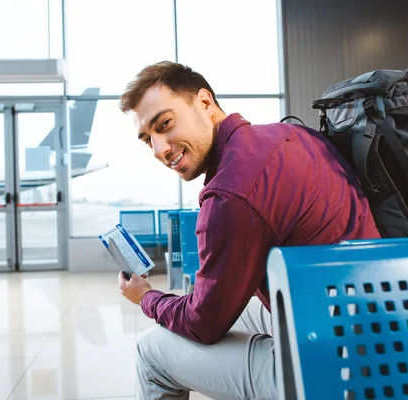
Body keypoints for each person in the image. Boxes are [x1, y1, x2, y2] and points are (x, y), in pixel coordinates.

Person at [117, 61, 381, 400]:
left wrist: (148, 299)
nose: (159, 149)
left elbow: (203, 325)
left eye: (165, 124)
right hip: (370, 324)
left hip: (331, 368)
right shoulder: (291, 135)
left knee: (152, 350)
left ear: (205, 102)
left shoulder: (231, 193)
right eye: (147, 140)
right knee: (209, 306)